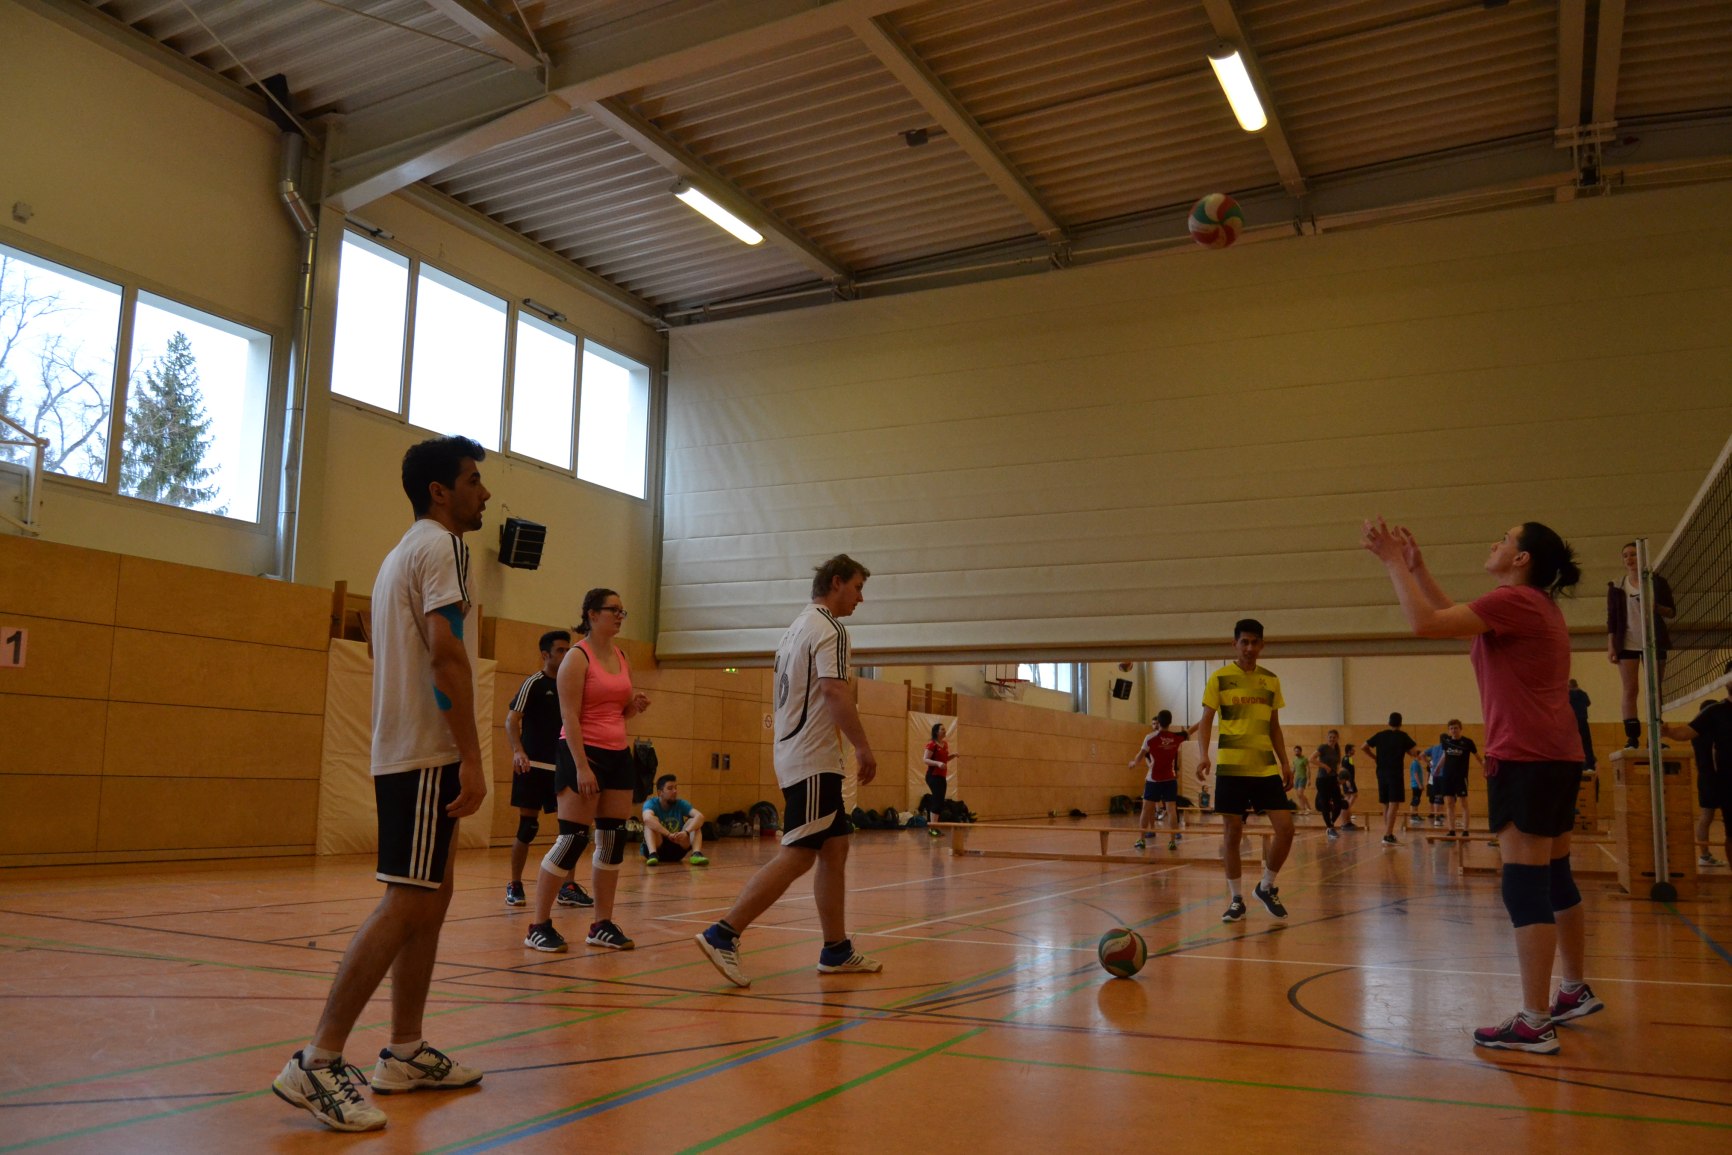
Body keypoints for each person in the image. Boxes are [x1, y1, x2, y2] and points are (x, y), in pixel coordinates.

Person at [271, 435, 489, 1131]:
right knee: (406, 901)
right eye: (473, 480)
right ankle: (318, 1060)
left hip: (408, 752)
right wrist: (472, 756)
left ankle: (404, 1050)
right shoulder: (443, 547)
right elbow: (446, 655)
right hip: (425, 753)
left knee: (431, 898)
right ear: (439, 492)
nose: (484, 493)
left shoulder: (401, 554)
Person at [1365, 517, 1594, 1055]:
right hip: (1558, 756)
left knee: (1524, 886)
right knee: (1555, 877)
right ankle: (1573, 990)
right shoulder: (1532, 605)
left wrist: (1392, 564)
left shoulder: (1514, 602)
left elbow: (1425, 623)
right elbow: (1457, 619)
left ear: (1522, 559)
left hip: (1527, 758)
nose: (1495, 542)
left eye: (1506, 539)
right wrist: (1419, 570)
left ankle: (1535, 1022)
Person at [695, 555, 882, 987]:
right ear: (836, 582)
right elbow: (834, 691)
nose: (860, 598)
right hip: (813, 758)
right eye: (857, 588)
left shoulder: (797, 627)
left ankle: (836, 949)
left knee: (835, 849)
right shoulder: (831, 629)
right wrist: (862, 746)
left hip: (797, 755)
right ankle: (723, 933)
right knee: (798, 854)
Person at [521, 588, 652, 953]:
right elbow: (570, 716)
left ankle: (601, 924)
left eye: (622, 611)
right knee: (572, 839)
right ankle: (538, 925)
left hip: (617, 754)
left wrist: (634, 707)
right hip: (581, 753)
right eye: (613, 610)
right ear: (592, 615)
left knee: (612, 838)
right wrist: (581, 766)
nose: (620, 616)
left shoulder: (621, 656)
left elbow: (616, 711)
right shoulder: (577, 658)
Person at [1193, 618, 1295, 923]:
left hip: (1264, 768)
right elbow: (1206, 721)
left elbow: (1274, 727)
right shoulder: (1220, 678)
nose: (1249, 648)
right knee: (1232, 833)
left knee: (1286, 829)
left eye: (1254, 642)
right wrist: (1203, 755)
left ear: (1262, 645)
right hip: (1231, 768)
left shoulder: (1271, 680)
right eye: (1244, 642)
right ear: (1234, 644)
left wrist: (1285, 761)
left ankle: (1266, 886)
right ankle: (1236, 899)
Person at [504, 630, 592, 910]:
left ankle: (568, 887)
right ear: (545, 655)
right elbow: (511, 720)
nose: (566, 655)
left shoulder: (573, 685)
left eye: (568, 649)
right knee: (528, 828)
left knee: (571, 831)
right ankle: (515, 884)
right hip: (533, 767)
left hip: (563, 767)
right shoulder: (534, 683)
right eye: (560, 650)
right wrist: (518, 751)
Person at [1607, 541, 1675, 748]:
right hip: (1627, 642)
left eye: (1633, 554)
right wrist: (1611, 645)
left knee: (1655, 691)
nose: (1629, 558)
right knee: (1630, 689)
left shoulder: (1657, 582)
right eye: (1625, 555)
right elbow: (1612, 619)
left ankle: (1654, 738)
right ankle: (1632, 739)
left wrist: (1654, 606)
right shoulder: (1617, 586)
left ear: (1642, 557)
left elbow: (1671, 612)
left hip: (1654, 642)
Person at [1663, 695, 1730, 868]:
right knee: (1714, 818)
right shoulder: (1714, 731)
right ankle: (1706, 856)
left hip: (1705, 777)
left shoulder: (1695, 734)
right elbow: (1714, 754)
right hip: (1717, 778)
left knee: (1706, 817)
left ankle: (1704, 855)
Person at [1129, 711, 1188, 850]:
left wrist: (1134, 763)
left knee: (1146, 809)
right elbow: (1189, 732)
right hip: (1170, 779)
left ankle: (1141, 840)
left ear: (1158, 723)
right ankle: (1172, 841)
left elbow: (1141, 755)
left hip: (1153, 780)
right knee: (1171, 810)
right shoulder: (1175, 737)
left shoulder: (1150, 738)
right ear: (1170, 722)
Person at [1364, 713, 1418, 846]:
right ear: (1401, 723)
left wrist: (1375, 757)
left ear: (1388, 723)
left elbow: (1363, 746)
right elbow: (1414, 752)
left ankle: (1388, 833)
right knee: (1394, 803)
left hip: (1381, 773)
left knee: (1385, 804)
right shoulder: (1402, 736)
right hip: (1395, 774)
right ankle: (1388, 835)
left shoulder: (1380, 735)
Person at [642, 774, 709, 866]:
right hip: (658, 846)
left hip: (677, 847)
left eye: (675, 788)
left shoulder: (681, 803)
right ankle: (652, 854)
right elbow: (647, 819)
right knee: (650, 823)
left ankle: (696, 854)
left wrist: (686, 832)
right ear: (660, 792)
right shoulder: (651, 803)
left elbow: (700, 816)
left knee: (694, 822)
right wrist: (668, 834)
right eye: (670, 788)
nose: (675, 791)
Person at [1437, 720, 1482, 837]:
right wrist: (1438, 767)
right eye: (1451, 728)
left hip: (1461, 777)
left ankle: (1465, 830)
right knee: (1449, 803)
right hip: (1447, 776)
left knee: (1463, 803)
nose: (1453, 730)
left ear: (1460, 729)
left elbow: (1477, 756)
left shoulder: (1467, 742)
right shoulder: (1446, 742)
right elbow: (1445, 755)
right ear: (1449, 730)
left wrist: (1485, 767)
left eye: (1456, 728)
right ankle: (1451, 830)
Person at [922, 722, 958, 837]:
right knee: (937, 801)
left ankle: (935, 827)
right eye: (942, 729)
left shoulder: (945, 744)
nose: (945, 731)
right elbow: (925, 759)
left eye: (945, 729)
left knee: (940, 802)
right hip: (933, 776)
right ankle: (932, 828)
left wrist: (952, 756)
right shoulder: (932, 744)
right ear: (936, 732)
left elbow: (944, 760)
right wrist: (937, 763)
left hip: (942, 777)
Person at [1313, 742, 1346, 840]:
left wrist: (1339, 775)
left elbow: (1337, 766)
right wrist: (1325, 766)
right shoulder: (1323, 747)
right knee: (1325, 804)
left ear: (1337, 738)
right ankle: (1330, 828)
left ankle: (1330, 824)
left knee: (1339, 804)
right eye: (1330, 737)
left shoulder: (1337, 750)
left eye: (1334, 737)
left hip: (1333, 779)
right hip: (1322, 779)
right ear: (1328, 738)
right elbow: (1311, 759)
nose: (1332, 739)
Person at [1567, 679, 1596, 772]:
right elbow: (1588, 703)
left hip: (1572, 721)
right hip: (1583, 720)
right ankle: (1590, 764)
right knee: (1586, 742)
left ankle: (1574, 764)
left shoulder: (1567, 694)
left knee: (1572, 744)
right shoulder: (1583, 693)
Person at [1339, 743, 1360, 828]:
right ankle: (1345, 809)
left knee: (1348, 796)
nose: (1354, 751)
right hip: (1349, 781)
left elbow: (1350, 769)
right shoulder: (1346, 758)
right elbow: (1343, 769)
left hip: (1351, 780)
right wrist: (1347, 780)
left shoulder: (1350, 758)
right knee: (1354, 795)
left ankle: (1347, 813)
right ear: (1349, 750)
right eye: (1353, 749)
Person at [1291, 745, 1311, 813]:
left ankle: (1302, 809)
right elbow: (1294, 769)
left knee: (1300, 794)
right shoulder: (1295, 760)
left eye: (1298, 751)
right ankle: (1308, 807)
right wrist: (1290, 777)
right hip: (1297, 778)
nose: (1296, 752)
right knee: (1299, 795)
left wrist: (1309, 779)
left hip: (1303, 778)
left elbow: (1308, 769)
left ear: (1300, 751)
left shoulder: (1304, 759)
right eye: (1295, 751)